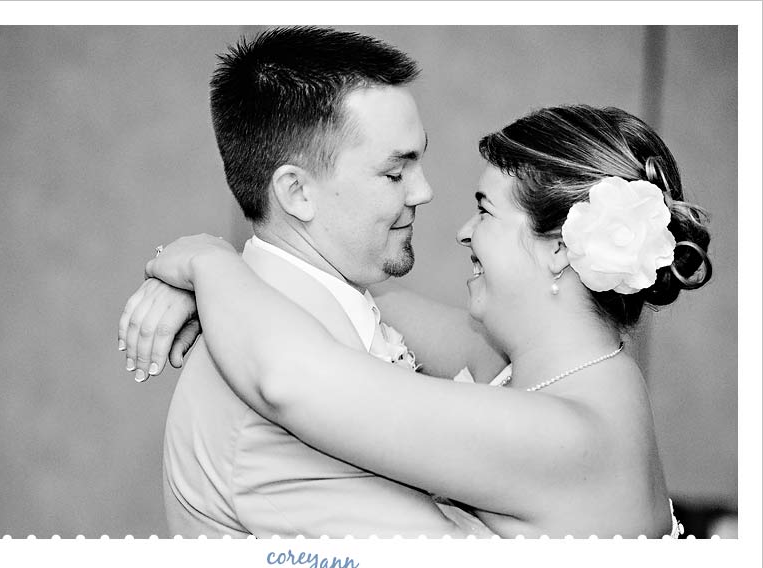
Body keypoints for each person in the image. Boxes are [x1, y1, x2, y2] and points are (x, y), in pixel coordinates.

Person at [123, 104, 712, 538]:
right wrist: (220, 291)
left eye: (484, 211)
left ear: (560, 249)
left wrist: (207, 261)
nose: (461, 230)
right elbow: (360, 304)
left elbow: (289, 378)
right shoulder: (570, 365)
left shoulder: (566, 438)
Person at [121, 26, 500, 538]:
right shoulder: (273, 413)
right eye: (395, 173)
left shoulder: (326, 306)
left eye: (420, 161)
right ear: (297, 192)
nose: (424, 191)